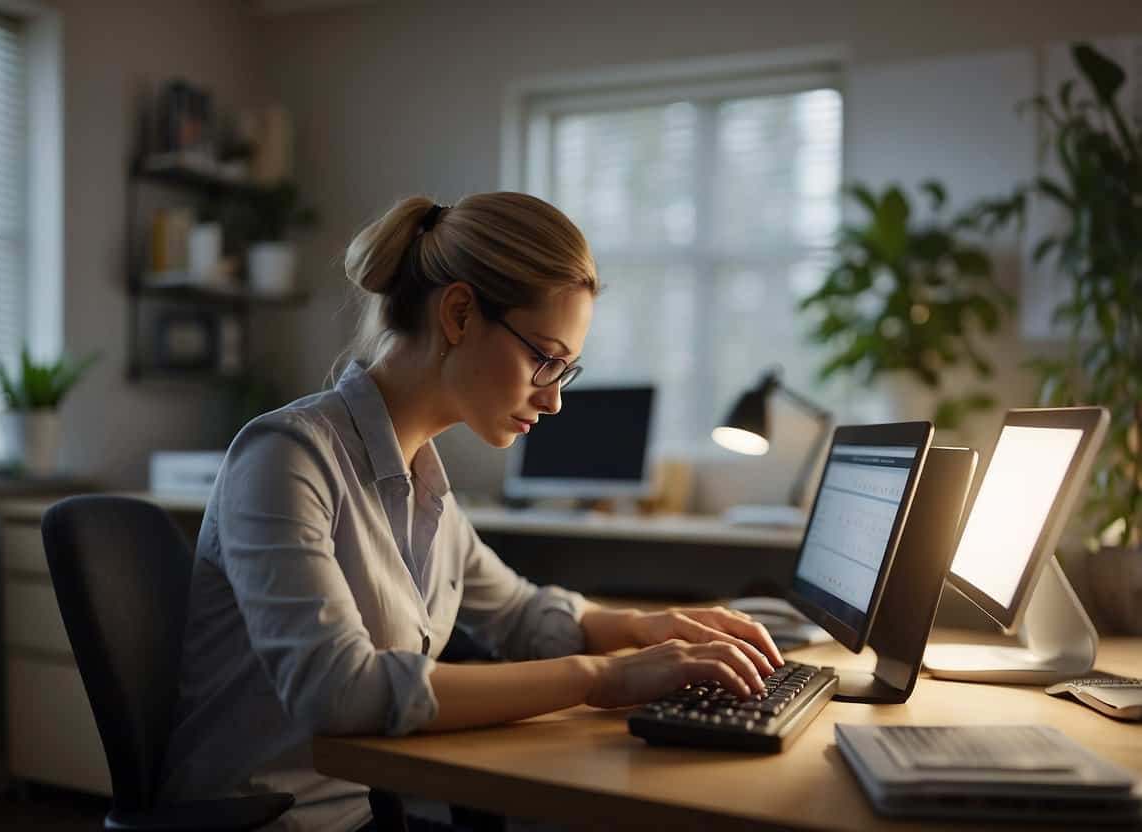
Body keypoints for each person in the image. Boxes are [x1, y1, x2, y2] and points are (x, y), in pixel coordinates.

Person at [159, 192, 783, 831]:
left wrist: (643, 629)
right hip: (272, 821)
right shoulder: (287, 456)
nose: (554, 400)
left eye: (565, 371)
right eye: (545, 359)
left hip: (362, 812)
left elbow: (516, 611)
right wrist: (601, 677)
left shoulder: (422, 475)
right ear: (458, 314)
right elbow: (338, 690)